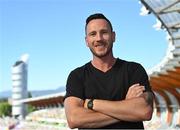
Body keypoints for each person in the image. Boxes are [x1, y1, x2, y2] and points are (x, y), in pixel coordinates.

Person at [64, 13, 154, 129]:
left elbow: (144, 110)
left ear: (113, 36)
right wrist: (127, 107)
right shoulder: (77, 76)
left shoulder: (134, 70)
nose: (99, 38)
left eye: (104, 32)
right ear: (87, 41)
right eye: (93, 34)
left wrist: (91, 104)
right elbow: (74, 119)